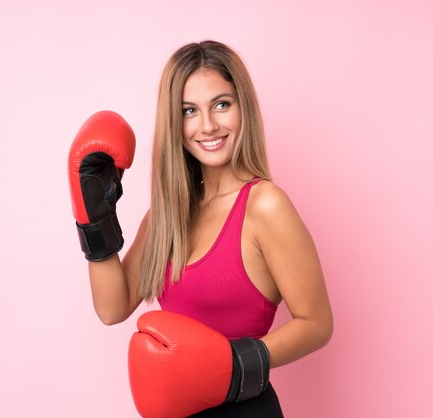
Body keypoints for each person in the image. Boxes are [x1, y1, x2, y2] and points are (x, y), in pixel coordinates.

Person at [68, 40, 333, 417]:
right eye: (189, 111)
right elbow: (112, 308)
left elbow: (317, 323)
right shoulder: (170, 213)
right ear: (174, 123)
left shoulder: (264, 205)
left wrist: (232, 365)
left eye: (221, 104)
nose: (207, 125)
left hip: (243, 409)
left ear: (243, 107)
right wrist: (95, 218)